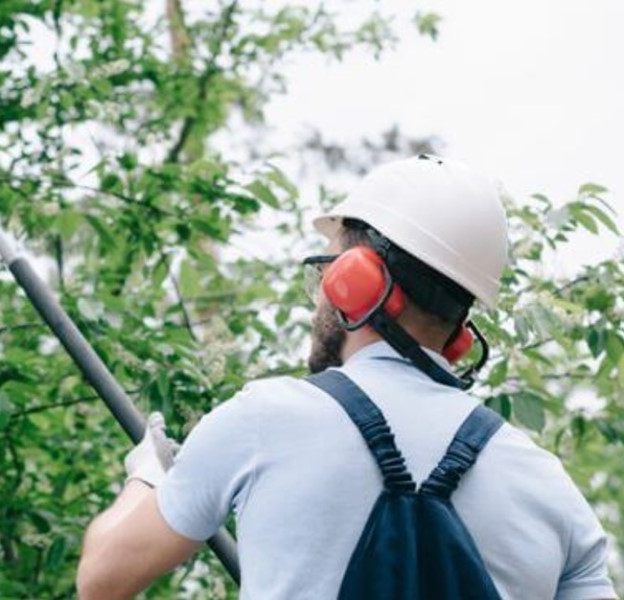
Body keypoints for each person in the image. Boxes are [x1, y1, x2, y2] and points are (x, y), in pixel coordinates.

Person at [76, 155, 618, 599]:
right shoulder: (549, 489)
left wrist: (148, 476)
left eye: (328, 269)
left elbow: (101, 580)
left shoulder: (262, 421)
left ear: (355, 282)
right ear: (461, 330)